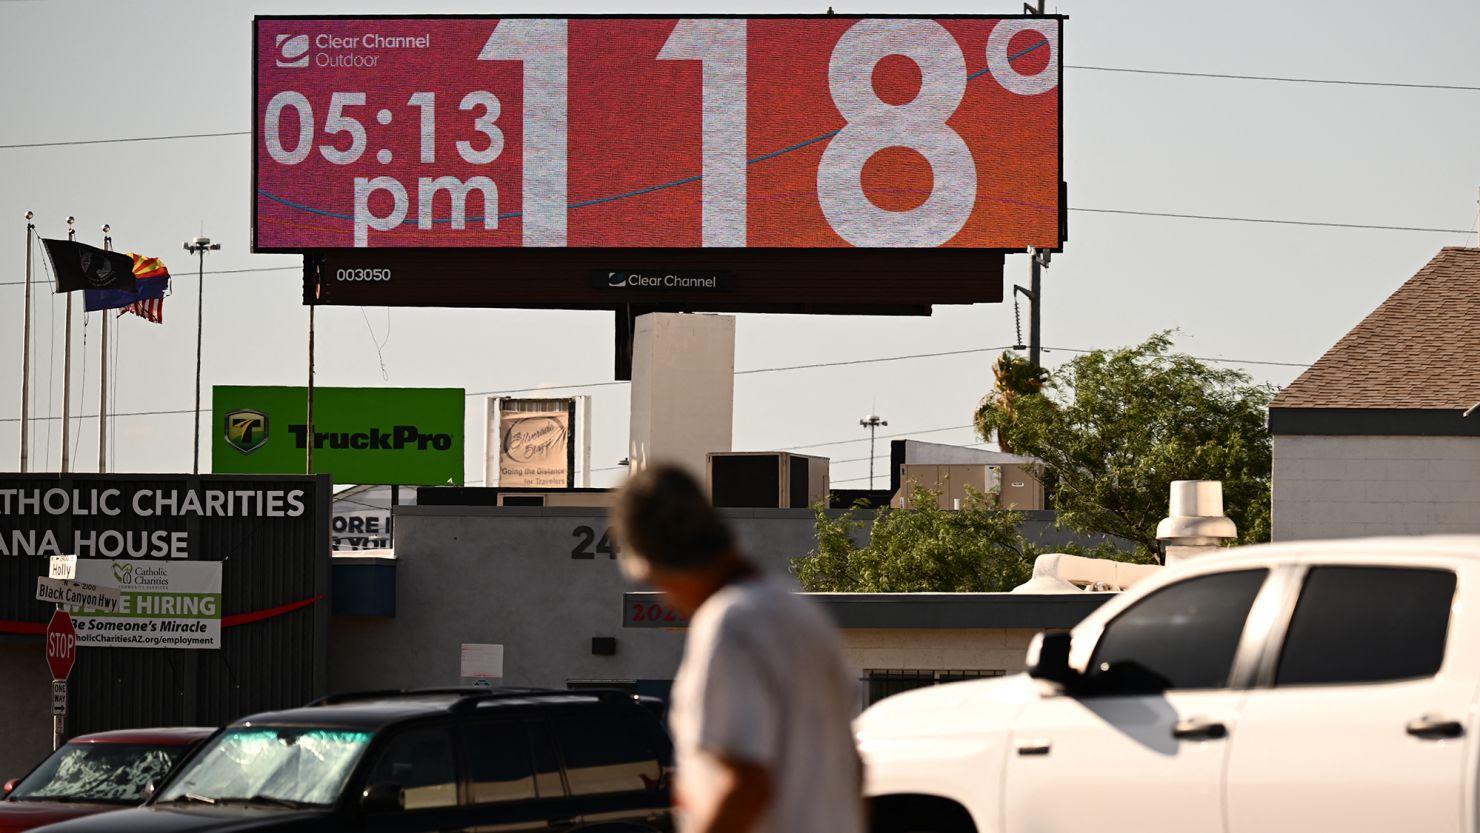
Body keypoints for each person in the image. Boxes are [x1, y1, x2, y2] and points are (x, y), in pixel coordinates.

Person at [612, 464, 864, 833]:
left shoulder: (729, 625)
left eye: (654, 581)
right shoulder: (800, 611)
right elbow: (854, 768)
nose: (664, 599)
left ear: (660, 563)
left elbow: (747, 785)